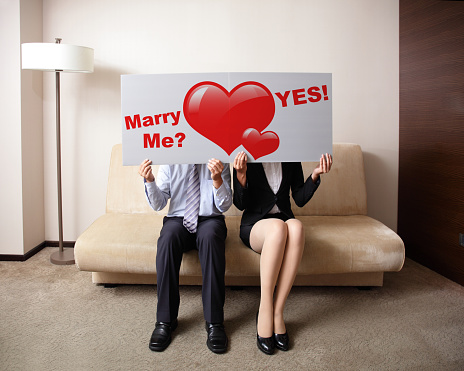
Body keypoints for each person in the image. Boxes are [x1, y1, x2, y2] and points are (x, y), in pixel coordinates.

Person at [233, 152, 333, 355]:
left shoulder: (291, 155)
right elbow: (240, 204)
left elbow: (299, 198)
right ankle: (264, 309)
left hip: (284, 222)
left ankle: (278, 312)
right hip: (255, 225)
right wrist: (241, 176)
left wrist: (315, 174)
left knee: (296, 227)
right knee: (278, 227)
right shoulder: (245, 156)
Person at [138, 158, 232, 354]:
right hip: (178, 219)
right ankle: (165, 320)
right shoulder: (170, 159)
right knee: (167, 238)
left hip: (210, 218)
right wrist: (149, 180)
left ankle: (215, 322)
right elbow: (159, 204)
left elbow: (224, 206)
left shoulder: (220, 157)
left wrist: (216, 179)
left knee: (210, 237)